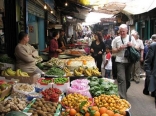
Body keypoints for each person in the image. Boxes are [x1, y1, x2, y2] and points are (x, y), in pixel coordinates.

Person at [112, 24, 136, 99]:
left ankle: (123, 91)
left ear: (127, 31)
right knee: (121, 79)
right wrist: (119, 48)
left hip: (129, 61)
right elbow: (113, 50)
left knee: (128, 80)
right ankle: (122, 97)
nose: (122, 33)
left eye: (123, 31)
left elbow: (136, 48)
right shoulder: (116, 39)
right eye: (121, 31)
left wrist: (131, 45)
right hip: (120, 61)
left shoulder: (131, 38)